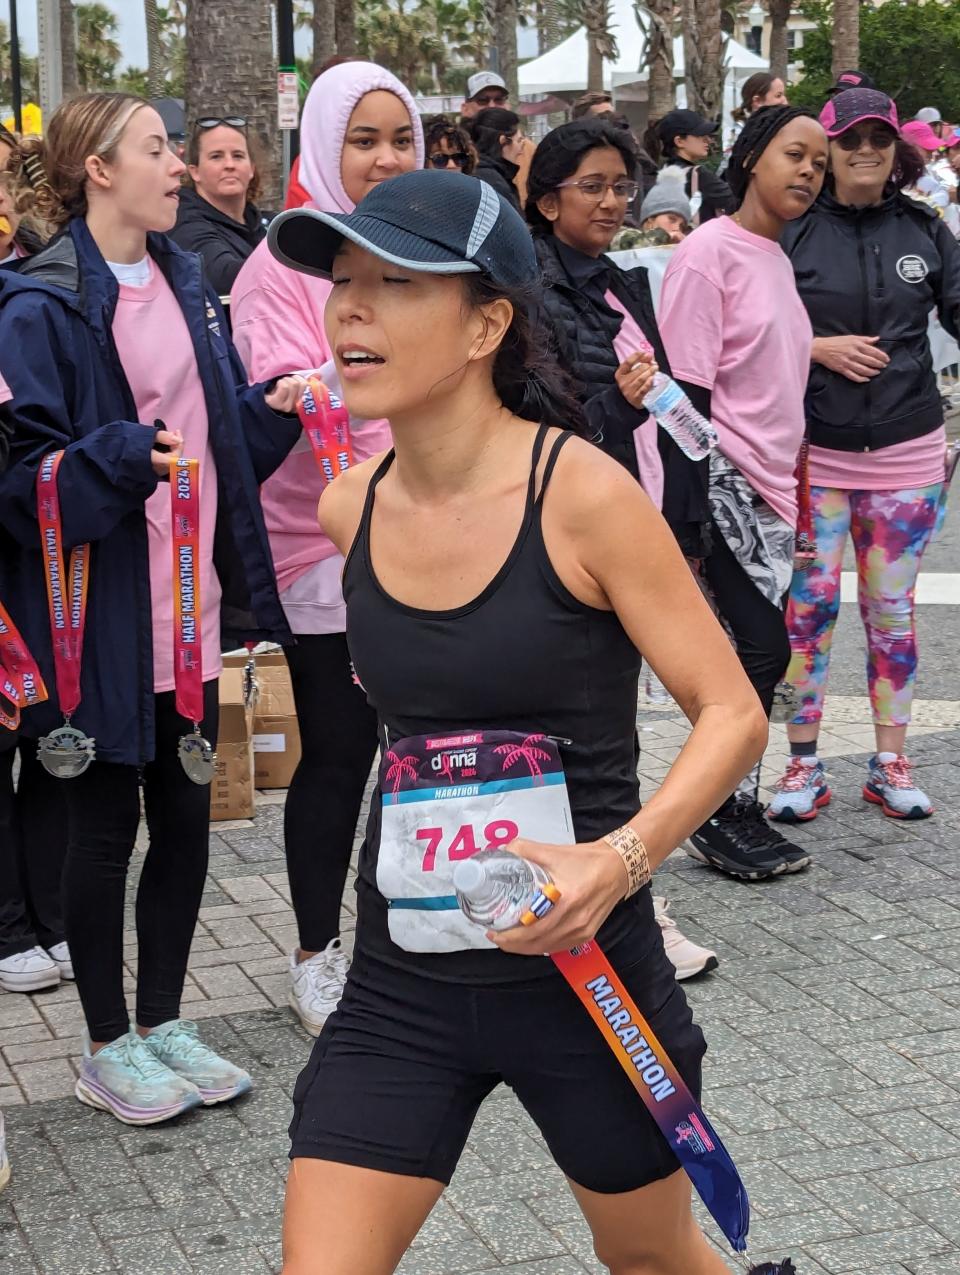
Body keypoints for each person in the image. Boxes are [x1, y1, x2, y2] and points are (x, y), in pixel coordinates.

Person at [268, 165, 768, 1275]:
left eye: (394, 282)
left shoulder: (585, 495)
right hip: (404, 983)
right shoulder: (351, 507)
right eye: (343, 280)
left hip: (586, 982)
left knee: (654, 1261)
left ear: (487, 320)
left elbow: (731, 712)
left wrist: (620, 860)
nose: (349, 307)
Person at [0, 92, 306, 1125]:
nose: (178, 166)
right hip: (98, 623)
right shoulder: (37, 304)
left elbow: (213, 446)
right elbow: (21, 479)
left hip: (195, 613)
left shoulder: (188, 281)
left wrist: (267, 413)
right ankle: (103, 1042)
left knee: (186, 820)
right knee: (100, 832)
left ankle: (164, 1018)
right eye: (158, 149)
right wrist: (117, 458)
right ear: (97, 167)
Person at [230, 61, 422, 1037]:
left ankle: (406, 938)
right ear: (322, 145)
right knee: (342, 754)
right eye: (364, 139)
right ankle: (316, 951)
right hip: (325, 543)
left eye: (400, 139)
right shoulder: (280, 264)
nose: (386, 158)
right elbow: (279, 391)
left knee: (426, 749)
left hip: (430, 531)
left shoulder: (429, 247)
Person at [772, 88, 960, 823]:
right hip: (811, 457)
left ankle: (891, 761)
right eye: (851, 140)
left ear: (895, 151)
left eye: (880, 140)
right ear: (826, 151)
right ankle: (800, 761)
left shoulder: (926, 229)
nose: (865, 152)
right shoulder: (787, 231)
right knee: (805, 616)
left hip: (908, 453)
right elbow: (743, 330)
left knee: (891, 613)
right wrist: (814, 346)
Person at [657, 105, 829, 880]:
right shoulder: (708, 252)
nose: (808, 172)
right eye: (795, 154)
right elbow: (682, 391)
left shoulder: (773, 255)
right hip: (722, 479)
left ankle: (738, 806)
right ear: (752, 157)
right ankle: (714, 812)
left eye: (818, 165)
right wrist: (688, 515)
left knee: (750, 656)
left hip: (773, 490)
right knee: (757, 650)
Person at [169, 115, 268, 294]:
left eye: (238, 156)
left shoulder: (258, 223)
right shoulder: (183, 220)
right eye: (216, 157)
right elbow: (222, 276)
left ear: (251, 169)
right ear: (195, 172)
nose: (229, 165)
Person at [645, 109, 736, 223]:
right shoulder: (699, 176)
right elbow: (737, 202)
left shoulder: (664, 173)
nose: (708, 140)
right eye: (700, 135)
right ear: (679, 141)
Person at [469, 107, 526, 211]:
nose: (521, 151)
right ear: (503, 141)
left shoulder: (475, 172)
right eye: (519, 141)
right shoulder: (494, 183)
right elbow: (514, 225)